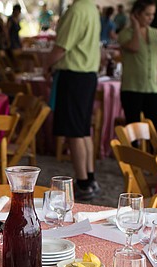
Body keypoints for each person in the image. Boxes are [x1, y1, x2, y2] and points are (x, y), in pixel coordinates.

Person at [47, 0, 101, 201]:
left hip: (74, 75)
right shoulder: (90, 8)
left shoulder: (77, 10)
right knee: (83, 130)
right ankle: (89, 178)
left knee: (74, 132)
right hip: (87, 75)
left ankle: (83, 182)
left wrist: (47, 64)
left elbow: (61, 47)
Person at [118, 0, 157, 127]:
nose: (151, 18)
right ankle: (132, 148)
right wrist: (136, 27)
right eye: (147, 14)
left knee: (154, 129)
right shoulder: (125, 34)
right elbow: (134, 47)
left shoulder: (155, 33)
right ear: (136, 14)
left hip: (152, 87)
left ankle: (150, 148)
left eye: (152, 14)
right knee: (133, 127)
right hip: (132, 88)